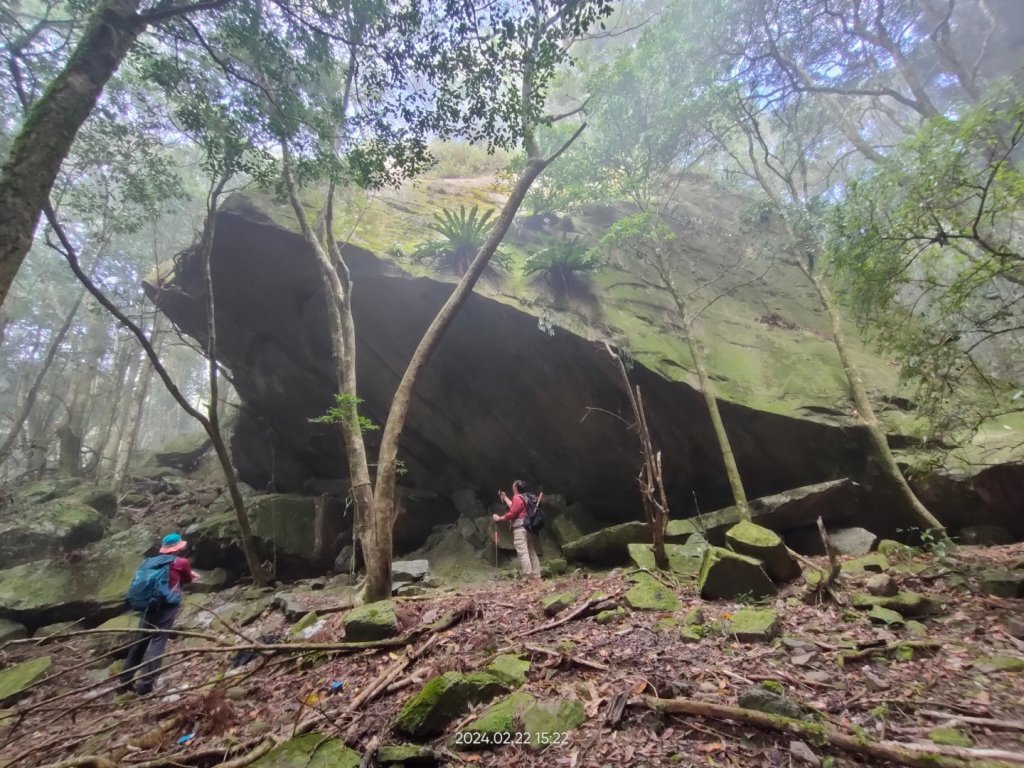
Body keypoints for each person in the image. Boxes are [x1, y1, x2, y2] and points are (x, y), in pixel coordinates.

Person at [118, 532, 197, 695]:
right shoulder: (181, 562)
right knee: (157, 642)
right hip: (167, 606)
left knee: (140, 643)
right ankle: (146, 685)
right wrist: (191, 576)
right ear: (178, 547)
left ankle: (124, 682)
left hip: (148, 606)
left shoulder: (147, 562)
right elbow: (188, 579)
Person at [492, 480, 541, 579]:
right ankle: (536, 575)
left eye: (513, 485)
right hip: (529, 528)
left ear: (515, 488)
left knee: (523, 553)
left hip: (520, 529)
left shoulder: (517, 498)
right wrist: (505, 497)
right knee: (531, 552)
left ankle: (528, 576)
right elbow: (515, 507)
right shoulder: (526, 497)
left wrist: (500, 518)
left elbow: (512, 513)